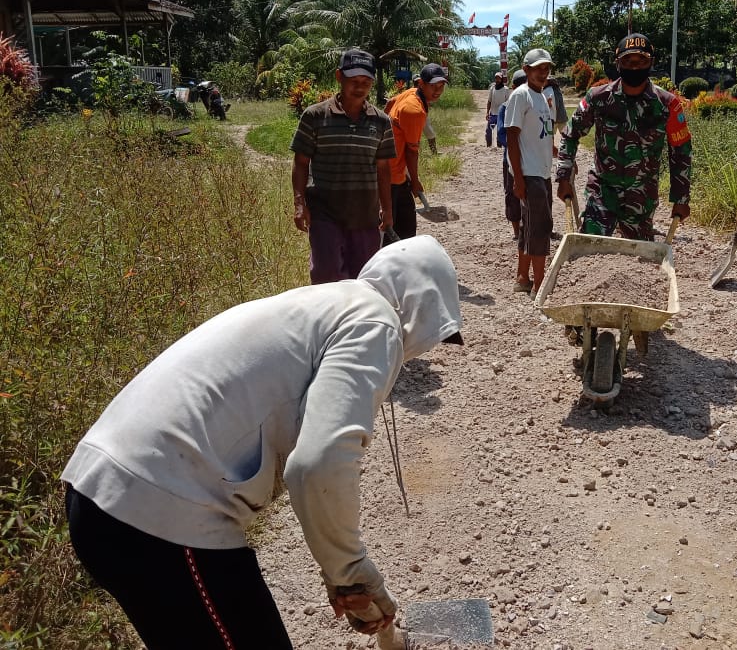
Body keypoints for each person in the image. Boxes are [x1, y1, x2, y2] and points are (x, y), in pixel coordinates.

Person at [61, 236, 465, 650]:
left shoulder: (326, 302)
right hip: (160, 512)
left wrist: (342, 577)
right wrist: (351, 574)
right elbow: (318, 464)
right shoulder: (376, 322)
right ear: (422, 303)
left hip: (104, 491)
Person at [556, 33, 692, 241]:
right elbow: (571, 134)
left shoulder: (667, 105)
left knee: (639, 255)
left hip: (641, 196)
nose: (635, 66)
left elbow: (681, 151)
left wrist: (681, 198)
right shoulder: (598, 98)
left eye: (641, 61)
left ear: (651, 63)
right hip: (602, 191)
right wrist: (564, 176)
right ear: (618, 64)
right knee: (591, 249)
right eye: (628, 61)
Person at [291, 48, 396, 283]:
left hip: (365, 214)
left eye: (366, 81)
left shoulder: (381, 121)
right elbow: (300, 163)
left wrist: (387, 209)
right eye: (354, 80)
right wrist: (299, 203)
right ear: (339, 77)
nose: (360, 87)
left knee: (363, 279)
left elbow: (383, 169)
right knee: (325, 274)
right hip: (325, 213)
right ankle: (328, 319)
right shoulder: (315, 116)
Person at [504, 49, 556, 293]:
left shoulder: (543, 97)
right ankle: (540, 283)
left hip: (543, 173)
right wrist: (518, 178)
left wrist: (559, 155)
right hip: (530, 173)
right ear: (526, 70)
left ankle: (522, 278)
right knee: (541, 229)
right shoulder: (520, 96)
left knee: (530, 227)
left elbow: (543, 136)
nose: (542, 73)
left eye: (546, 68)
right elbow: (512, 138)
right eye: (537, 69)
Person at [385, 63, 448, 243]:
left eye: (441, 86)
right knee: (396, 231)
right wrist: (415, 181)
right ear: (421, 83)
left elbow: (390, 103)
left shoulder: (411, 93)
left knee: (404, 225)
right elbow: (412, 152)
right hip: (392, 175)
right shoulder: (414, 110)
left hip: (393, 170)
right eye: (433, 86)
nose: (437, 91)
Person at [497, 69, 527, 240]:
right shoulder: (505, 107)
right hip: (511, 159)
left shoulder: (537, 103)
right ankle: (517, 231)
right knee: (512, 194)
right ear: (514, 87)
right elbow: (502, 134)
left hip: (532, 158)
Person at [485, 70, 510, 148]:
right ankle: (488, 146)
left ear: (501, 79)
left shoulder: (506, 89)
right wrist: (487, 112)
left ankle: (499, 146)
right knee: (488, 130)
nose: (497, 80)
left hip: (501, 114)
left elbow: (508, 102)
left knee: (500, 131)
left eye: (499, 78)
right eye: (496, 78)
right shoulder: (492, 88)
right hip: (493, 113)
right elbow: (489, 101)